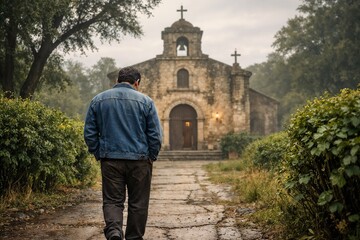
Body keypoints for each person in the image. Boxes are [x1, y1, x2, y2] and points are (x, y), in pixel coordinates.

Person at [84, 66, 162, 240]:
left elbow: (89, 133)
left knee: (112, 200)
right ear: (137, 83)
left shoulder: (98, 100)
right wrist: (151, 156)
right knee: (138, 203)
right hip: (140, 161)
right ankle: (134, 237)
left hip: (110, 160)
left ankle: (114, 231)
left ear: (117, 81)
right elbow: (155, 135)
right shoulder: (146, 102)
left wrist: (99, 153)